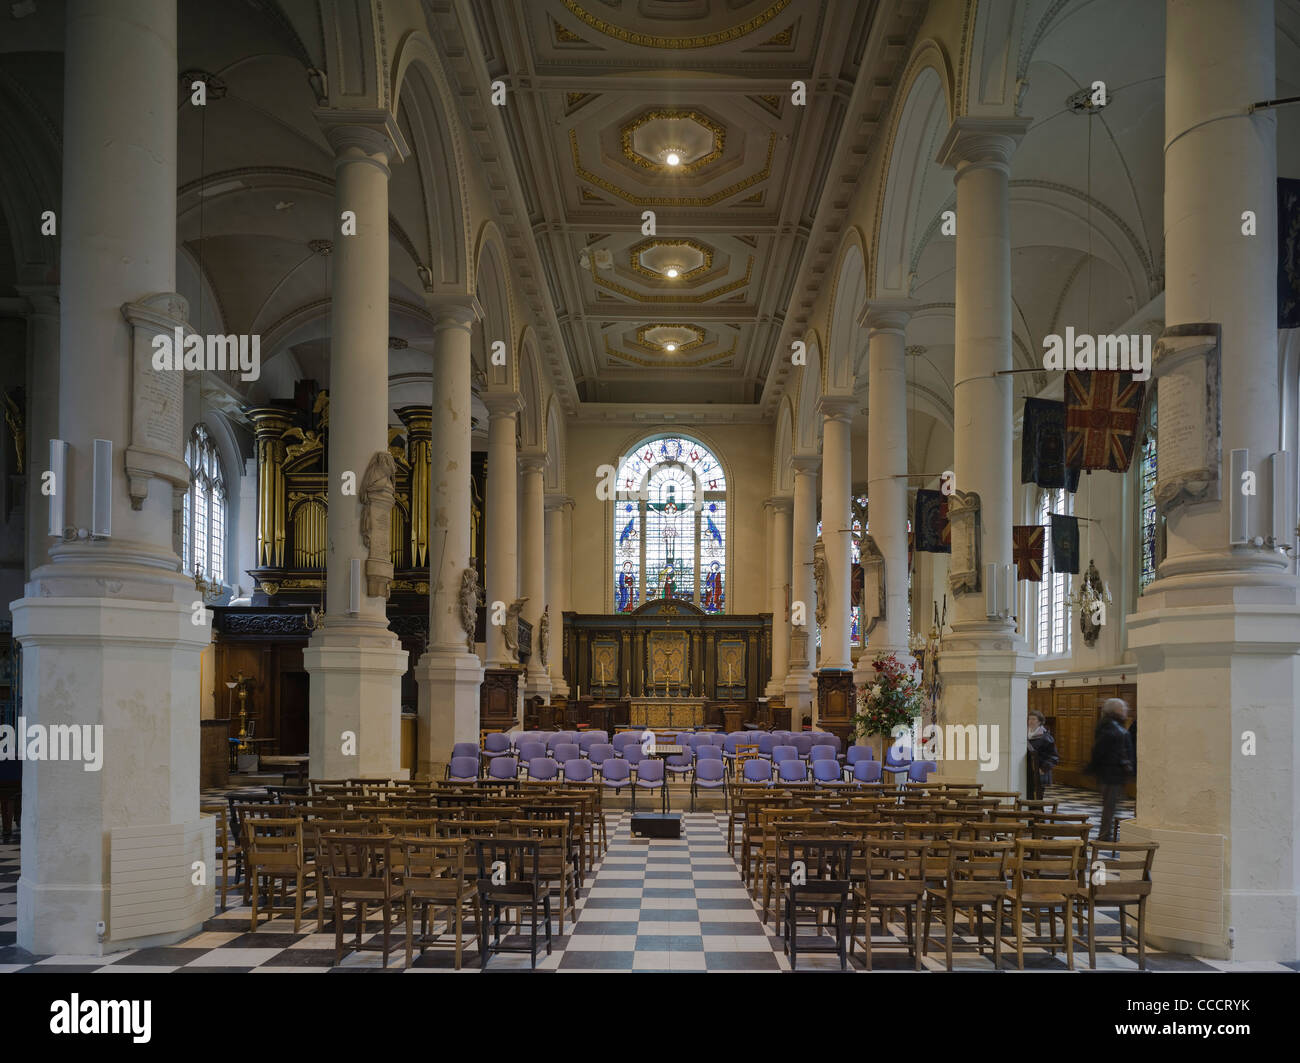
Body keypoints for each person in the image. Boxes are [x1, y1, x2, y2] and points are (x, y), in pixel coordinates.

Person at [1085, 698, 1135, 844]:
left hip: (1112, 773)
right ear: (1116, 710)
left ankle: (1106, 834)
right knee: (1109, 806)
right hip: (1111, 774)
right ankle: (1104, 836)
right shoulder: (1112, 728)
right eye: (1124, 708)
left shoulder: (1110, 726)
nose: (1126, 711)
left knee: (1111, 806)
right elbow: (1101, 751)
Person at [1026, 710, 1059, 800]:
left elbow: (1053, 757)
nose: (1030, 721)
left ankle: (1036, 813)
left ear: (1040, 722)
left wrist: (1043, 769)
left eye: (1033, 719)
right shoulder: (1024, 735)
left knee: (1036, 799)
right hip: (1026, 773)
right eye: (1029, 719)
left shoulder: (1045, 737)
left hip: (1039, 773)